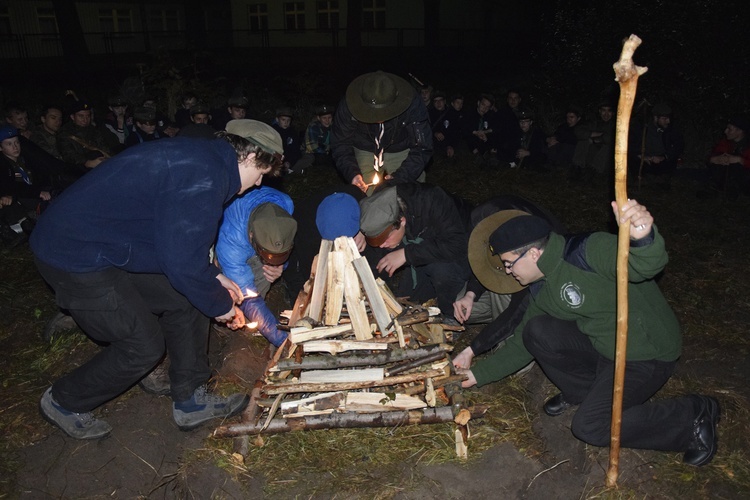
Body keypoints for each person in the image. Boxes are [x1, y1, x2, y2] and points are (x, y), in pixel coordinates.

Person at [30, 119, 285, 440]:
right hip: (72, 253)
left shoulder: (204, 160)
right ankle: (64, 400)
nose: (260, 183)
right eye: (261, 173)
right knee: (143, 344)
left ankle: (190, 399)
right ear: (249, 157)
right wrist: (219, 304)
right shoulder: (204, 177)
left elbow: (177, 241)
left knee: (185, 297)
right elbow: (180, 260)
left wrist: (214, 276)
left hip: (109, 244)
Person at [457, 200, 721, 467]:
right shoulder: (541, 288)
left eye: (509, 264)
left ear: (533, 254)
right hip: (605, 347)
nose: (509, 272)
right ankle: (583, 393)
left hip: (645, 352)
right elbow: (520, 344)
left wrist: (642, 236)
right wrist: (477, 375)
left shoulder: (587, 251)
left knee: (590, 427)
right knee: (537, 331)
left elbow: (645, 266)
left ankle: (692, 416)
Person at [451, 195, 566, 369]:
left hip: (533, 308)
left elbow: (516, 312)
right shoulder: (493, 220)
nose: (506, 269)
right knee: (465, 304)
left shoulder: (531, 256)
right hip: (512, 281)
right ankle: (497, 323)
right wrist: (470, 294)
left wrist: (472, 350)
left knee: (515, 356)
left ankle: (508, 341)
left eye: (508, 265)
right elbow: (485, 265)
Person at [359, 183, 469, 318]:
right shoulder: (379, 206)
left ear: (402, 221)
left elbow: (457, 245)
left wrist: (406, 254)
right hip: (418, 242)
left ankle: (450, 313)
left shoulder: (433, 201)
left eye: (386, 239)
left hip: (462, 248)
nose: (382, 245)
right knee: (407, 303)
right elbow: (374, 258)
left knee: (441, 272)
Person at [215, 185, 297, 347]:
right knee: (240, 295)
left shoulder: (286, 205)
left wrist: (280, 265)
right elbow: (248, 297)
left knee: (265, 276)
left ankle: (257, 320)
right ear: (252, 236)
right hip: (226, 247)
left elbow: (283, 244)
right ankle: (226, 319)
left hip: (252, 240)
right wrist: (281, 339)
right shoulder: (231, 241)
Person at [332, 71, 432, 194]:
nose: (378, 117)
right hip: (365, 147)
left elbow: (422, 147)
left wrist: (401, 177)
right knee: (365, 196)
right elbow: (340, 143)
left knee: (411, 193)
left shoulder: (412, 103)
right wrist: (353, 174)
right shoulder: (348, 105)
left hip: (401, 147)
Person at [283, 186, 367, 299]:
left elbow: (370, 217)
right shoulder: (303, 231)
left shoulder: (358, 198)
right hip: (300, 254)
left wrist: (363, 231)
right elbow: (309, 273)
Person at [630, 102, 685, 190]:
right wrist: (643, 157)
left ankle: (661, 179)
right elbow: (631, 144)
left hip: (662, 160)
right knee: (633, 159)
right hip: (645, 159)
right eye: (664, 119)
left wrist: (663, 157)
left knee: (672, 161)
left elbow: (679, 146)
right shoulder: (642, 127)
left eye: (668, 118)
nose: (668, 121)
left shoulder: (671, 128)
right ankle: (642, 178)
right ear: (656, 118)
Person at [702, 114, 750, 198]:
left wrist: (740, 160)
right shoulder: (727, 142)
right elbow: (715, 153)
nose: (725, 131)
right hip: (727, 176)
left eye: (729, 129)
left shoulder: (747, 145)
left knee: (738, 165)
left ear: (739, 131)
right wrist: (714, 159)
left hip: (744, 178)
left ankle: (734, 189)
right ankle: (715, 187)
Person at [58, 100, 117, 170]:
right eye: (81, 116)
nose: (85, 119)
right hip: (78, 168)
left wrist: (113, 158)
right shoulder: (65, 132)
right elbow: (69, 155)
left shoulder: (93, 130)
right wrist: (87, 162)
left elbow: (103, 146)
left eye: (88, 116)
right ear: (73, 117)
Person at [572, 101, 616, 178]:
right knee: (583, 141)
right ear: (600, 111)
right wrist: (592, 134)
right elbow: (578, 131)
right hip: (593, 150)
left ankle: (595, 172)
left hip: (607, 155)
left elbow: (612, 137)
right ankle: (578, 168)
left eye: (609, 111)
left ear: (612, 113)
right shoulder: (595, 122)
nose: (606, 114)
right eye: (603, 111)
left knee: (608, 147)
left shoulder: (615, 124)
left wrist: (597, 139)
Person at [294, 104, 335, 173]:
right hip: (309, 151)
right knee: (311, 158)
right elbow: (312, 147)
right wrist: (326, 154)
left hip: (325, 150)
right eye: (324, 118)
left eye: (329, 117)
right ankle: (293, 169)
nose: (327, 120)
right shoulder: (313, 126)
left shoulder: (334, 126)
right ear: (319, 118)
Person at [463, 94, 496, 165]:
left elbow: (495, 127)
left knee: (495, 135)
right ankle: (476, 155)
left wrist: (485, 132)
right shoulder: (469, 113)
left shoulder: (491, 115)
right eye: (483, 105)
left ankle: (492, 154)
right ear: (478, 103)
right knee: (468, 136)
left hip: (484, 139)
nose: (484, 108)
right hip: (473, 139)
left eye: (487, 107)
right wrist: (476, 132)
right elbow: (464, 127)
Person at [271, 107, 302, 172]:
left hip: (289, 161)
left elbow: (296, 149)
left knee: (307, 158)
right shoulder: (272, 131)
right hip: (276, 159)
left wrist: (289, 162)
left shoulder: (292, 132)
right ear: (277, 119)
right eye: (283, 120)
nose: (286, 122)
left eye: (288, 120)